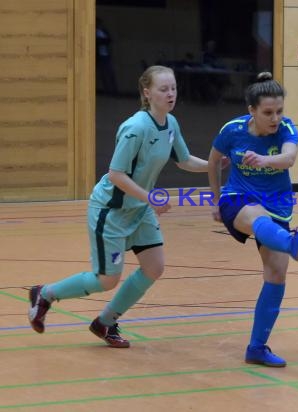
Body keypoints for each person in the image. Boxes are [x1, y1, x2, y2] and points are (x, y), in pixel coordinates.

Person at [28, 65, 211, 348]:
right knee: (107, 279)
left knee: (154, 267)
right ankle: (46, 294)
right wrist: (149, 197)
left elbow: (184, 160)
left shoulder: (170, 124)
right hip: (110, 212)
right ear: (147, 93)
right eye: (164, 89)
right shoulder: (136, 128)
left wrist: (214, 164)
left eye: (173, 88)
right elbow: (116, 174)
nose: (171, 94)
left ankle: (106, 321)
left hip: (139, 210)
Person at [208, 72, 298, 367]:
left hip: (278, 204)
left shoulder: (286, 129)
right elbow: (213, 161)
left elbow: (289, 158)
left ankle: (256, 348)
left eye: (279, 111)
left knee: (276, 276)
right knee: (255, 216)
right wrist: (216, 199)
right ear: (252, 111)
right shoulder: (232, 130)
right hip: (238, 198)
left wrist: (264, 160)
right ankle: (292, 243)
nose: (275, 118)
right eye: (268, 112)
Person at [96, 17, 118, 95]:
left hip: (106, 55)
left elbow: (109, 40)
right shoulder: (95, 31)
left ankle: (113, 90)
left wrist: (104, 41)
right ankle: (107, 90)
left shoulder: (104, 31)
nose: (100, 25)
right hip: (100, 56)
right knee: (103, 74)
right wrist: (103, 41)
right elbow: (99, 42)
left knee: (110, 73)